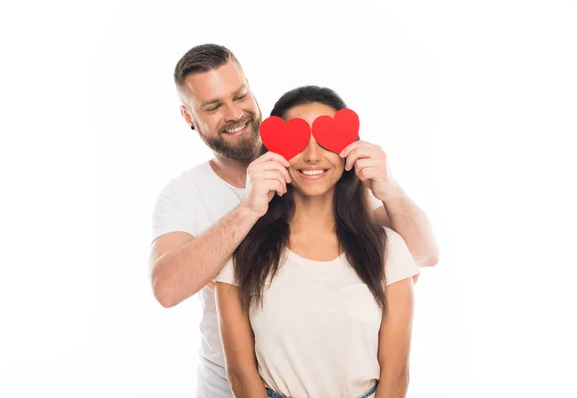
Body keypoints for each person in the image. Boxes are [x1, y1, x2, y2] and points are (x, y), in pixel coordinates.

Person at [149, 44, 438, 398]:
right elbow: (165, 289)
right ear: (188, 116)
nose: (234, 113)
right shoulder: (183, 195)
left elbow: (421, 254)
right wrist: (248, 209)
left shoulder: (325, 176)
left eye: (240, 95)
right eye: (213, 106)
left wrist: (388, 186)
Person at [214, 85, 419, 398]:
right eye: (297, 142)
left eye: (326, 141)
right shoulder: (241, 252)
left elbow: (396, 377)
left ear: (350, 150)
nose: (311, 156)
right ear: (273, 153)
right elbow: (241, 375)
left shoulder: (388, 249)